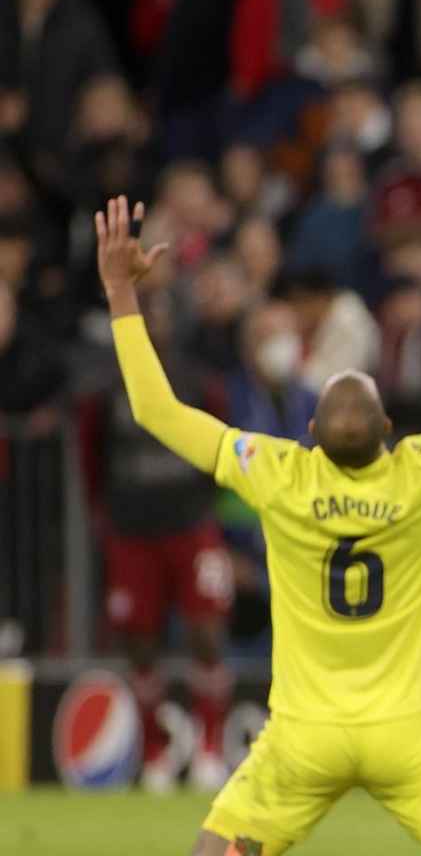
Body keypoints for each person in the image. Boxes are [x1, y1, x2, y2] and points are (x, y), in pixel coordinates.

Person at [95, 166, 421, 856]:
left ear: (308, 432)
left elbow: (154, 408)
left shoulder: (276, 471)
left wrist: (119, 294)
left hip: (303, 736)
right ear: (389, 432)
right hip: (409, 735)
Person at [81, 291, 235, 793]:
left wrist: (205, 508)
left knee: (207, 632)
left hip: (190, 527)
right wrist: (105, 514)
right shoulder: (105, 389)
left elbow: (220, 446)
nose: (157, 325)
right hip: (132, 532)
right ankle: (155, 755)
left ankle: (211, 748)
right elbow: (91, 457)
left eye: (164, 314)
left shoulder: (198, 382)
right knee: (140, 643)